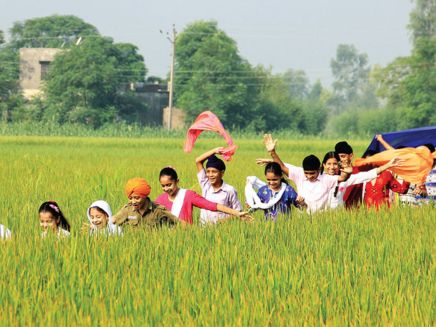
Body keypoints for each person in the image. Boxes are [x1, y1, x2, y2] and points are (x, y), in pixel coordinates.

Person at [262, 134, 352, 213]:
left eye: (312, 173)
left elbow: (342, 178)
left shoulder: (326, 178)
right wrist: (272, 153)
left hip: (321, 220)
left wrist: (347, 172)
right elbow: (282, 167)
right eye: (306, 173)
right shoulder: (299, 174)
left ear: (319, 169)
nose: (309, 176)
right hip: (303, 218)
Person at [155, 167, 251, 224]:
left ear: (177, 181)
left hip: (186, 239)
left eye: (169, 185)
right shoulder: (160, 200)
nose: (166, 189)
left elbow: (212, 205)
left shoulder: (188, 195)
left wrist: (236, 213)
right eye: (163, 186)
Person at [321, 151, 405, 209]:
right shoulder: (318, 179)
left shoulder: (346, 180)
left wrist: (389, 164)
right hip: (319, 217)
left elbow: (367, 175)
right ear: (324, 165)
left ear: (339, 165)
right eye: (329, 164)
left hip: (337, 218)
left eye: (335, 164)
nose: (332, 167)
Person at [195, 148, 242, 224]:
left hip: (221, 230)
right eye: (208, 172)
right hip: (203, 230)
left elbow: (238, 211)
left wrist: (220, 222)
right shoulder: (205, 184)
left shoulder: (229, 190)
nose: (210, 175)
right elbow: (198, 161)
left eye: (214, 172)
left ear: (222, 173)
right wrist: (214, 151)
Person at [112, 177, 180, 228]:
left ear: (144, 196)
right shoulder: (127, 210)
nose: (133, 202)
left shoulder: (158, 210)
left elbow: (179, 224)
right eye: (130, 198)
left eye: (137, 198)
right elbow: (112, 222)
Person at [334, 141, 369, 209]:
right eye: (338, 157)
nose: (341, 159)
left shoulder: (359, 171)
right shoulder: (335, 173)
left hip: (357, 210)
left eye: (343, 156)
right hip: (338, 211)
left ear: (351, 156)